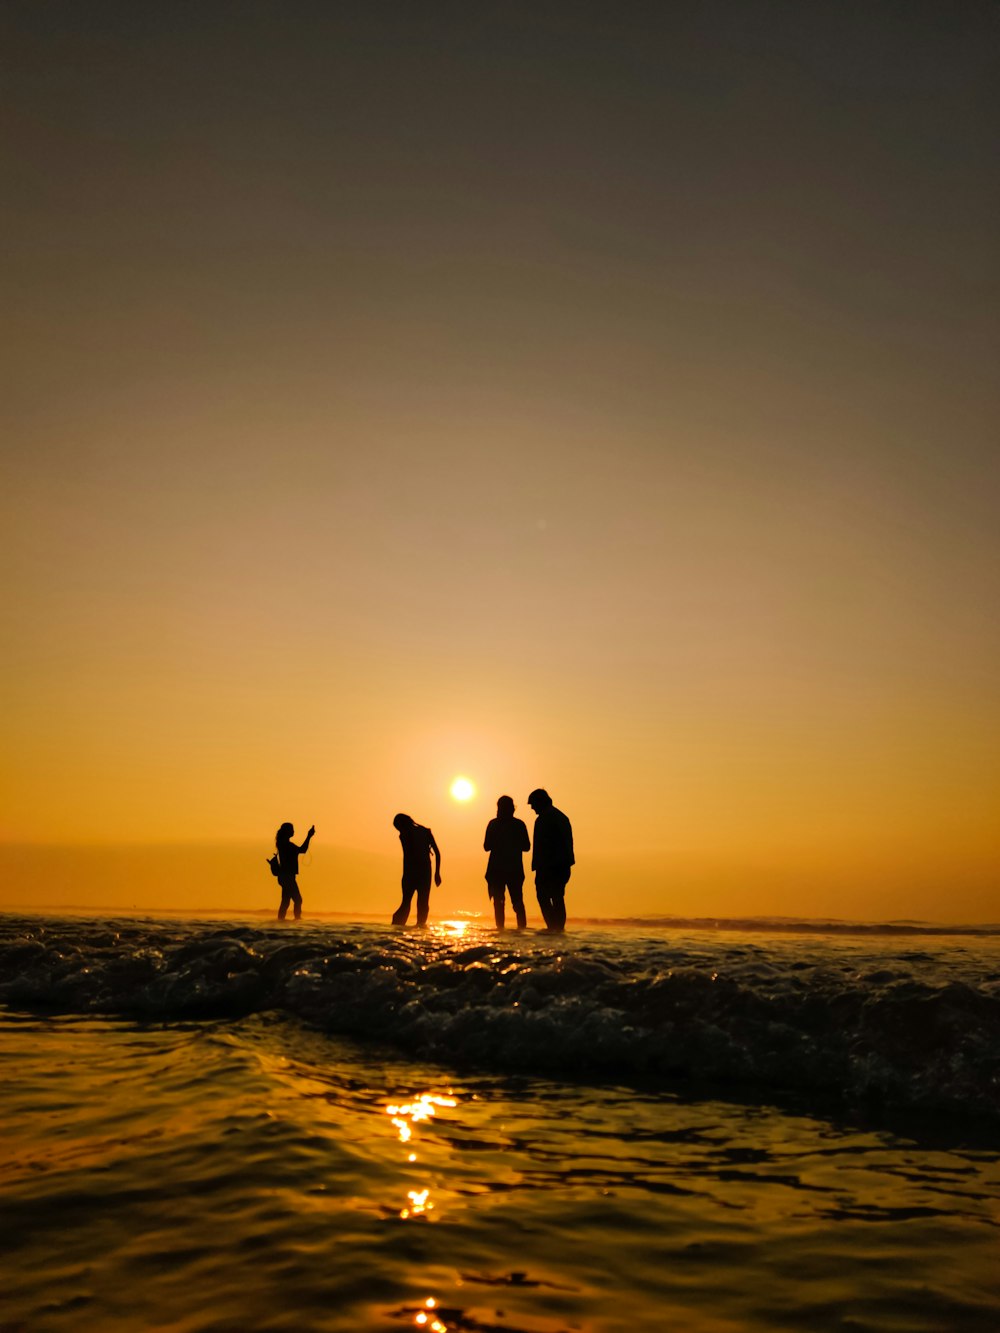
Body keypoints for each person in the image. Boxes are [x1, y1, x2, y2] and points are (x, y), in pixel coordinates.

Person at [527, 789, 574, 932]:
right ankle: (557, 929)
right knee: (557, 897)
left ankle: (554, 928)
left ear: (540, 802)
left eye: (533, 804)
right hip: (561, 865)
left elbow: (543, 846)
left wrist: (540, 867)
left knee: (546, 897)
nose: (532, 808)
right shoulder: (561, 817)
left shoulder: (544, 819)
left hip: (549, 867)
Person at [483, 795, 530, 929]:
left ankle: (502, 930)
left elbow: (486, 846)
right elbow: (526, 846)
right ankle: (521, 931)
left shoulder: (494, 824)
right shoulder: (519, 825)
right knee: (516, 902)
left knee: (500, 903)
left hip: (499, 870)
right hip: (512, 869)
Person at [391, 814, 441, 927]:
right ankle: (419, 927)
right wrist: (437, 873)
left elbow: (437, 853)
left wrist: (437, 873)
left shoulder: (404, 835)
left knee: (408, 902)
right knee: (421, 902)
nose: (399, 831)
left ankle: (400, 926)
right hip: (422, 872)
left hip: (412, 872)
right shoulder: (425, 832)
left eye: (399, 828)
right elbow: (437, 853)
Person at [274, 821, 314, 921]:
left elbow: (301, 850)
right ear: (287, 832)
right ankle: (297, 920)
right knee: (298, 900)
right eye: (292, 829)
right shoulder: (287, 845)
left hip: (284, 877)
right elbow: (303, 850)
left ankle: (280, 922)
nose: (293, 831)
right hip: (287, 877)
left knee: (285, 902)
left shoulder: (282, 844)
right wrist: (309, 836)